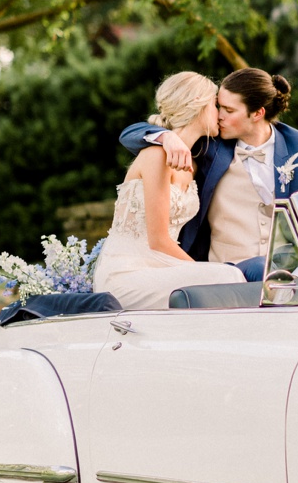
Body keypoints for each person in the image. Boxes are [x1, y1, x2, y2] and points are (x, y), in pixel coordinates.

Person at [120, 67, 298, 282]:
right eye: (218, 106)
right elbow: (131, 134)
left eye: (228, 109)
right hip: (236, 272)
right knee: (264, 268)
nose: (217, 114)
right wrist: (163, 138)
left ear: (257, 113)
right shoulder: (210, 146)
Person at [93, 72, 245, 309]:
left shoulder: (194, 162)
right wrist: (202, 271)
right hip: (127, 273)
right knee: (227, 279)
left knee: (230, 278)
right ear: (199, 106)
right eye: (216, 105)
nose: (221, 113)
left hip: (163, 269)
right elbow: (158, 240)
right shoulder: (155, 155)